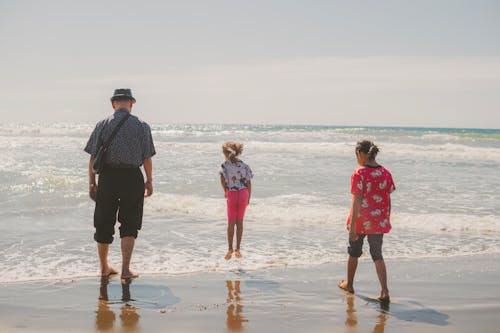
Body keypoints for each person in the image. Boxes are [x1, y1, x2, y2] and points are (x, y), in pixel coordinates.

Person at [84, 88, 155, 280]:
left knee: (103, 222)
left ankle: (104, 268)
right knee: (130, 223)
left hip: (107, 177)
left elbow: (92, 158)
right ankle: (125, 270)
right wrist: (149, 180)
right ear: (131, 104)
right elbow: (147, 157)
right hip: (133, 177)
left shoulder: (102, 125)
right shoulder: (141, 125)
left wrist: (92, 183)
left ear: (113, 104)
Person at [339, 140, 395, 302]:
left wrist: (352, 227)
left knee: (354, 253)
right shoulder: (386, 173)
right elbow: (388, 198)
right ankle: (384, 291)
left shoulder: (359, 173)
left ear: (361, 154)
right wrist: (386, 217)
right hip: (379, 220)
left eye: (356, 155)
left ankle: (349, 284)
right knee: (377, 255)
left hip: (361, 221)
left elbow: (357, 201)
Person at [220, 142, 253, 260]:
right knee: (240, 222)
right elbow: (249, 182)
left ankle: (230, 249)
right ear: (239, 153)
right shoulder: (245, 165)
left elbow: (223, 180)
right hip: (244, 193)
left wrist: (226, 191)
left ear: (225, 153)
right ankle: (238, 248)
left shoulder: (225, 166)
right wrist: (248, 196)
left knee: (231, 223)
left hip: (232, 194)